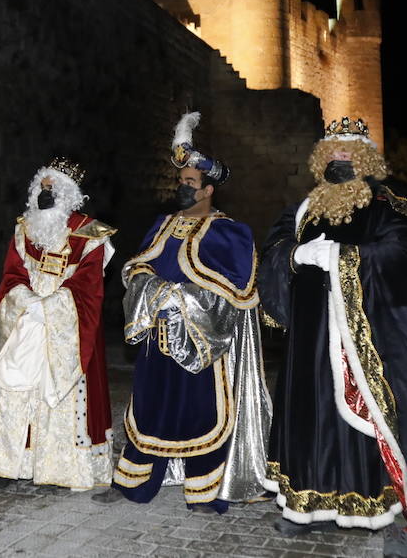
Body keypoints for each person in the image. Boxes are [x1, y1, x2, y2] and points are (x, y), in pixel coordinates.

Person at [259, 117, 407, 557]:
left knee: (372, 422)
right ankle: (306, 505)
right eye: (331, 151)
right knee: (311, 416)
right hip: (311, 341)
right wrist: (296, 253)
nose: (339, 158)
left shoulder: (388, 206)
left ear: (366, 160)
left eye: (349, 152)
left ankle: (392, 513)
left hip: (367, 341)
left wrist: (343, 255)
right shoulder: (301, 211)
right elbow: (275, 251)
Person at [93, 112, 271, 513]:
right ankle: (134, 484)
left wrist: (185, 299)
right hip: (159, 335)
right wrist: (155, 290)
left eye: (190, 184)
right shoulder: (163, 223)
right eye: (181, 182)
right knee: (150, 407)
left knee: (199, 412)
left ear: (208, 189)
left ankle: (205, 492)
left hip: (201, 342)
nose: (182, 188)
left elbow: (237, 289)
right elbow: (137, 265)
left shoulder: (230, 231)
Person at [0, 157, 117, 491]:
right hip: (28, 321)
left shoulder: (90, 232)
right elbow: (12, 273)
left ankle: (60, 467)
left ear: (69, 194)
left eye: (53, 189)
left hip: (65, 323)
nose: (45, 195)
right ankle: (8, 464)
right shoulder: (25, 229)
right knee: (17, 387)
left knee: (61, 391)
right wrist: (26, 302)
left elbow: (88, 283)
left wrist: (52, 308)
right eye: (42, 187)